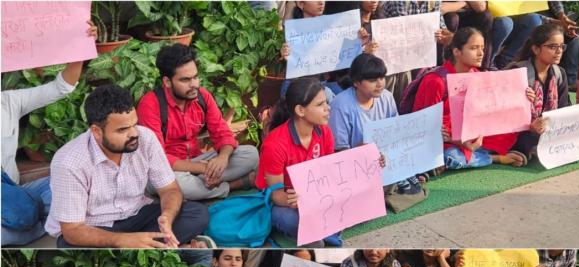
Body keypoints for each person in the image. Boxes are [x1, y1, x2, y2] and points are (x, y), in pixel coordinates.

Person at [45, 84, 209, 248]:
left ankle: (147, 244)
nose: (134, 134)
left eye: (134, 124)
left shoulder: (145, 138)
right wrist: (122, 240)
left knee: (197, 214)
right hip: (94, 227)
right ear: (96, 131)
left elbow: (169, 189)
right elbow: (73, 230)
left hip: (136, 215)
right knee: (70, 244)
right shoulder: (69, 162)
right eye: (122, 129)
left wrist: (167, 216)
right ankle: (155, 246)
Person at [1, 21, 97, 246]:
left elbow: (62, 87)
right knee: (24, 212)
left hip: (16, 190)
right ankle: (40, 227)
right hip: (14, 201)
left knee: (66, 186)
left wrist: (80, 46)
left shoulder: (8, 101)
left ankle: (27, 227)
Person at [137, 44, 259, 201]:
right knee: (173, 182)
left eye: (195, 77)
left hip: (198, 161)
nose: (194, 84)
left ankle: (203, 183)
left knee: (250, 154)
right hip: (168, 169)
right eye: (185, 80)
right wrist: (203, 168)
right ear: (167, 82)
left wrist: (222, 159)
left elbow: (223, 133)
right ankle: (232, 185)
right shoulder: (150, 105)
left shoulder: (202, 96)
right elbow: (156, 159)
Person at [412, 27, 536, 170]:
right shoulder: (436, 80)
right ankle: (492, 157)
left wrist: (524, 97)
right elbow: (425, 124)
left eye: (482, 48)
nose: (480, 53)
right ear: (457, 52)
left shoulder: (477, 75)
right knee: (452, 158)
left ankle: (476, 154)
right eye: (474, 48)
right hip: (444, 140)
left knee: (517, 135)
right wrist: (457, 141)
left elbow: (496, 109)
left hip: (470, 137)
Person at [329, 53, 423, 195]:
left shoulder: (386, 97)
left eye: (382, 77)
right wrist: (362, 150)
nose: (380, 83)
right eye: (372, 80)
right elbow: (338, 152)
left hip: (386, 158)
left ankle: (399, 178)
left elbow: (396, 133)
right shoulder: (341, 105)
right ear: (356, 82)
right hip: (356, 165)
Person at [258, 78, 334, 247]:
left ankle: (320, 230)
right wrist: (294, 201)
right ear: (300, 110)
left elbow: (329, 172)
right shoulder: (274, 144)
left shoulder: (325, 133)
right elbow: (275, 194)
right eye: (320, 104)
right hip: (284, 202)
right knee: (290, 219)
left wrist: (370, 160)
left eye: (326, 102)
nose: (327, 108)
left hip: (315, 196)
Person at [509, 23, 572, 161]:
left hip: (547, 130)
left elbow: (564, 108)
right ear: (536, 49)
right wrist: (530, 127)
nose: (559, 51)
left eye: (561, 46)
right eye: (552, 47)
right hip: (521, 131)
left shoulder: (559, 73)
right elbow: (506, 114)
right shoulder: (518, 72)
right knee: (525, 141)